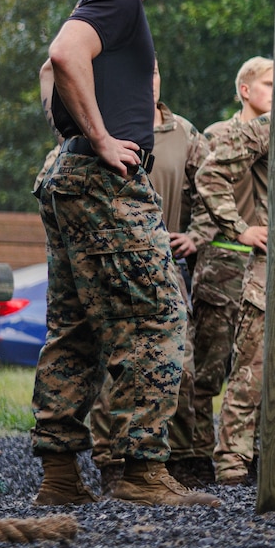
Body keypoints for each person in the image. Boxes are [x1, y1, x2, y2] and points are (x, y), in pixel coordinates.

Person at [33, 0, 217, 508]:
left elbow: (49, 70)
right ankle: (137, 471)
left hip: (72, 174)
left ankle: (60, 475)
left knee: (79, 324)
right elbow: (62, 55)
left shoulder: (113, 4)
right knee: (160, 312)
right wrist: (101, 137)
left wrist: (70, 136)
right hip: (101, 180)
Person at [82, 63, 210, 488]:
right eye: (143, 72)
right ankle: (113, 461)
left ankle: (178, 460)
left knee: (179, 361)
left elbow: (213, 193)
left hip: (168, 262)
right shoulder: (103, 125)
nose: (149, 79)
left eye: (155, 72)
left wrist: (196, 235)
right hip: (115, 259)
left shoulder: (187, 134)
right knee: (118, 358)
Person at [186, 55, 272, 481]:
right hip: (240, 262)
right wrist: (240, 230)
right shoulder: (235, 133)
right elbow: (206, 180)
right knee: (232, 365)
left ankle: (270, 456)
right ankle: (221, 459)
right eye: (269, 84)